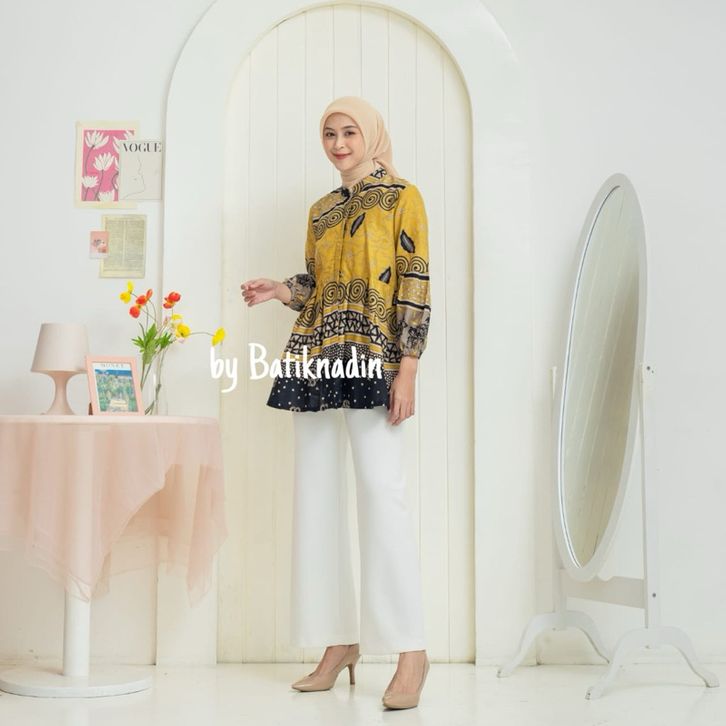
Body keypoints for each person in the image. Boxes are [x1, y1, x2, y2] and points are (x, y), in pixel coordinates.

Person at [240, 95, 431, 710]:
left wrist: (408, 367)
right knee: (316, 496)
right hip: (317, 358)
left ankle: (410, 649)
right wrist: (282, 290)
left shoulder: (403, 197)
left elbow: (415, 281)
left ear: (371, 135)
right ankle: (338, 641)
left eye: (349, 132)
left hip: (376, 359)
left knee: (381, 493)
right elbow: (321, 286)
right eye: (329, 133)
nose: (339, 143)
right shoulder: (320, 212)